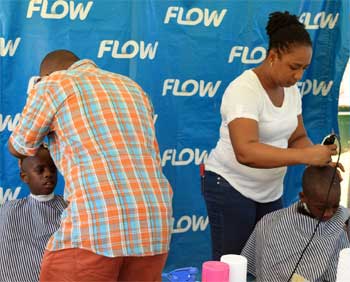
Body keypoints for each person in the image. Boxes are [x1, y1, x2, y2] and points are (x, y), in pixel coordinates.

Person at [8, 50, 173, 281]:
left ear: (45, 75)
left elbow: (19, 146)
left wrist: (37, 93)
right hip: (154, 226)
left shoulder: (54, 83)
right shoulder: (132, 87)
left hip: (95, 227)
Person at [203, 11, 339, 260]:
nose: (298, 76)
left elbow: (297, 137)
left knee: (266, 263)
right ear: (273, 56)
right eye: (294, 67)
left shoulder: (292, 91)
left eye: (304, 68)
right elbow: (246, 151)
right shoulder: (244, 90)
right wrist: (304, 155)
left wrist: (318, 160)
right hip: (232, 187)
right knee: (233, 266)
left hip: (270, 192)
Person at [241, 165, 350, 282]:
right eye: (321, 208)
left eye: (335, 206)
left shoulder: (341, 223)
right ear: (303, 197)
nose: (329, 214)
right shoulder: (270, 225)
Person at [0, 145, 67, 282]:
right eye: (40, 170)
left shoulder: (68, 208)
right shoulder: (9, 210)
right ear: (25, 177)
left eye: (53, 169)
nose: (48, 174)